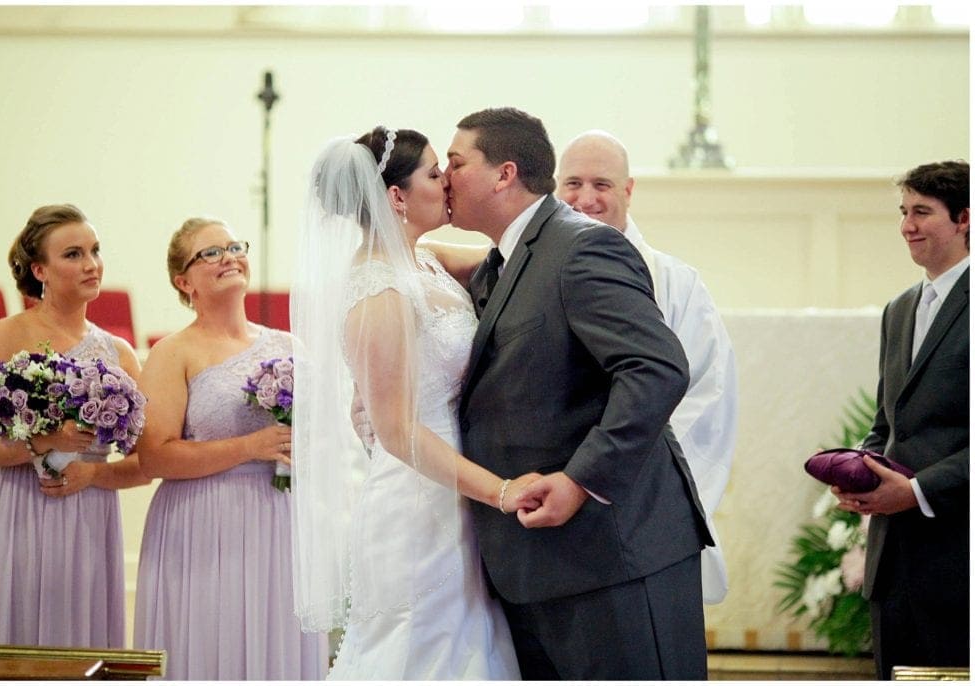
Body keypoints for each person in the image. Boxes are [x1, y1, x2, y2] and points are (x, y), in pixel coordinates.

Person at [446, 107, 713, 680]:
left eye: (456, 162)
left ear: (503, 174)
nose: (446, 177)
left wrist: (581, 479)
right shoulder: (503, 260)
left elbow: (656, 368)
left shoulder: (583, 248)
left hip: (613, 554)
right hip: (536, 562)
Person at [290, 126, 525, 679]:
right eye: (435, 173)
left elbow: (506, 252)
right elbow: (394, 431)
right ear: (396, 196)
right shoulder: (379, 290)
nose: (447, 184)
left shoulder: (425, 261)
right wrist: (500, 491)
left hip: (456, 486)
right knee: (421, 651)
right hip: (420, 501)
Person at [132, 218, 328, 680]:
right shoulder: (173, 352)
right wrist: (250, 446)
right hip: (202, 522)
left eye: (234, 247)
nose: (230, 257)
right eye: (211, 253)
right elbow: (154, 456)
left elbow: (319, 437)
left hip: (278, 521)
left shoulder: (289, 345)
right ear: (184, 281)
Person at [556, 129, 737, 604]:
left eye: (602, 185)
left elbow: (708, 393)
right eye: (572, 183)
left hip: (639, 500)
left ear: (629, 191)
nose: (585, 199)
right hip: (549, 502)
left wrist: (612, 470)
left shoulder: (676, 283)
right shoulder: (527, 270)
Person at [0, 203, 149, 647]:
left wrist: (94, 473)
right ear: (39, 270)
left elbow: (145, 460)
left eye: (95, 251)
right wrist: (50, 440)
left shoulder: (119, 353)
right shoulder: (5, 335)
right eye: (73, 254)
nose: (92, 265)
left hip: (88, 519)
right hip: (19, 511)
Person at [833, 160, 969, 679]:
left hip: (960, 550)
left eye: (922, 212)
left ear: (964, 219)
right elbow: (887, 424)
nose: (907, 225)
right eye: (903, 212)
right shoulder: (900, 308)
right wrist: (856, 474)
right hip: (894, 559)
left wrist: (916, 492)